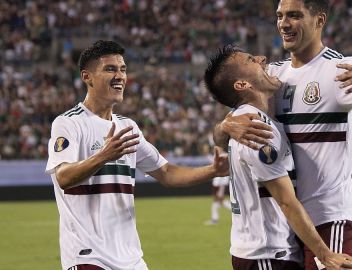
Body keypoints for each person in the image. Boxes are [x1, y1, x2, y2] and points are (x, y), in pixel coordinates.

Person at [214, 1, 352, 269]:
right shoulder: (272, 76)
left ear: (319, 20)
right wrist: (225, 127)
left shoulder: (339, 68)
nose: (284, 23)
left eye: (294, 16)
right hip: (292, 225)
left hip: (331, 214)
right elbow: (222, 137)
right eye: (279, 16)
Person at [45, 40, 229, 270]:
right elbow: (63, 176)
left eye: (123, 69)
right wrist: (103, 156)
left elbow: (166, 172)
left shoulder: (127, 127)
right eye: (110, 69)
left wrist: (213, 171)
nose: (120, 76)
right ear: (87, 77)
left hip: (130, 259)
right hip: (88, 257)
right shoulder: (68, 123)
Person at [205, 45, 352, 270]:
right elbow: (286, 201)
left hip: (266, 252)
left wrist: (223, 126)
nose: (262, 58)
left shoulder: (245, 121)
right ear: (242, 85)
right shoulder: (257, 130)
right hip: (268, 255)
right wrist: (325, 255)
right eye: (251, 59)